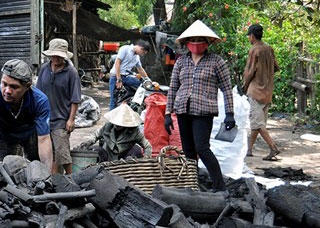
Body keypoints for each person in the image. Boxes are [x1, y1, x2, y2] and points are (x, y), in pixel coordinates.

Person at [164, 20, 235, 192]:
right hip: (183, 110)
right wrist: (167, 113)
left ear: (207, 42)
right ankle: (192, 184)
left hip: (204, 111)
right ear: (186, 43)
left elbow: (226, 89)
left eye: (199, 40)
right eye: (192, 40)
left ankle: (220, 187)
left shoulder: (216, 62)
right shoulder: (181, 62)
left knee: (202, 148)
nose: (196, 44)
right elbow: (173, 87)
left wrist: (230, 113)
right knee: (188, 151)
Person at [36, 38, 82, 174]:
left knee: (62, 152)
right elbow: (37, 92)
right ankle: (52, 178)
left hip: (61, 118)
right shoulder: (44, 69)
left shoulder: (71, 72)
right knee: (47, 152)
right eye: (53, 55)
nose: (56, 58)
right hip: (44, 117)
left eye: (59, 56)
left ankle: (71, 178)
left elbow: (75, 98)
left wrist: (71, 119)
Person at [243, 24, 282, 161]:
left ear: (252, 36)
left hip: (255, 91)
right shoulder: (269, 49)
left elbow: (249, 71)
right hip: (267, 91)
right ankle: (249, 150)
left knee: (258, 124)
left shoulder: (254, 50)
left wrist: (244, 85)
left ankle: (273, 148)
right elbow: (276, 67)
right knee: (258, 123)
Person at [81, 102, 152, 162]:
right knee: (94, 149)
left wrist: (146, 158)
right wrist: (88, 142)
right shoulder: (108, 126)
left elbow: (147, 146)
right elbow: (96, 135)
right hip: (108, 157)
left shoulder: (134, 131)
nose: (117, 125)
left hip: (125, 160)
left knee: (136, 149)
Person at [109, 39, 152, 110]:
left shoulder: (137, 57)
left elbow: (140, 69)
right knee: (114, 98)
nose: (142, 55)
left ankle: (132, 105)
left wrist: (148, 80)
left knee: (142, 85)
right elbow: (117, 63)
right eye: (143, 53)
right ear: (141, 49)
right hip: (116, 76)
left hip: (126, 77)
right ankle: (111, 119)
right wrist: (119, 79)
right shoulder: (125, 49)